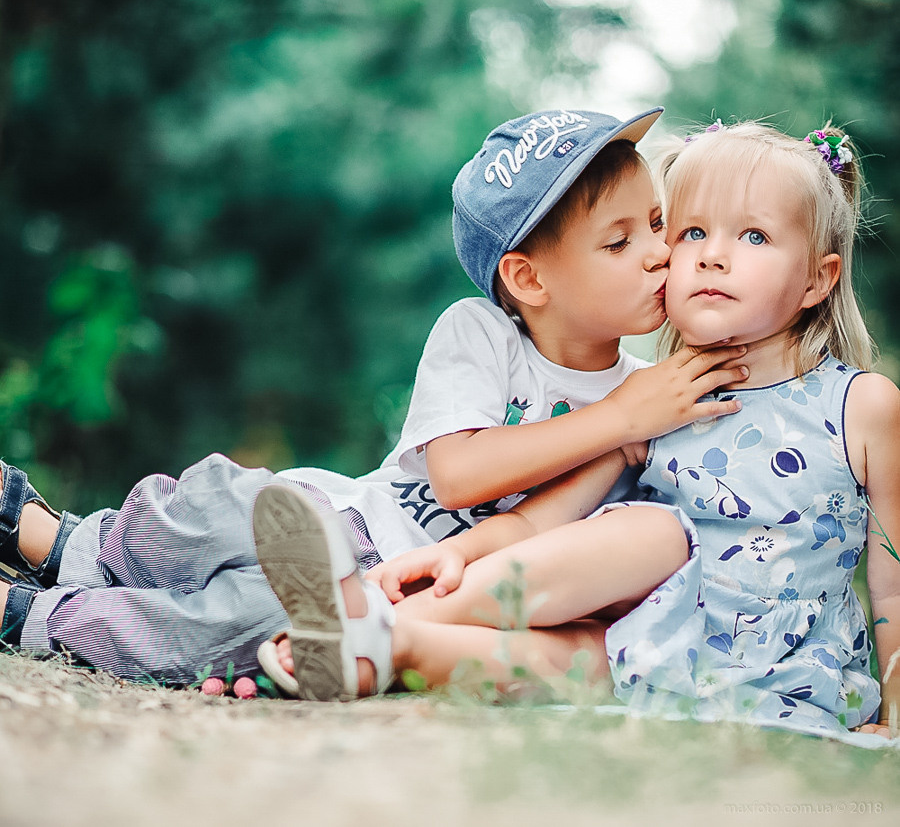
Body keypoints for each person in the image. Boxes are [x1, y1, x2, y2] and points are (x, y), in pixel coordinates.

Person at [0, 108, 745, 684]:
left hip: (385, 591)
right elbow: (457, 474)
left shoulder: (638, 402)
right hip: (346, 518)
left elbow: (538, 530)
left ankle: (37, 617)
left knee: (254, 623)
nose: (658, 252)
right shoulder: (483, 333)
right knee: (222, 504)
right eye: (618, 243)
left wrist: (627, 420)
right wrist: (619, 417)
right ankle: (58, 541)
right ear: (529, 280)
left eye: (656, 224)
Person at [256, 119, 900, 741]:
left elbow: (892, 569)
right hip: (642, 647)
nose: (711, 257)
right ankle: (382, 643)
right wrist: (460, 552)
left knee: (601, 630)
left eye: (754, 237)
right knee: (636, 557)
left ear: (820, 276)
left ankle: (379, 629)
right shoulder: (652, 399)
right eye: (692, 231)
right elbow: (542, 526)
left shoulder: (863, 405)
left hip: (782, 676)